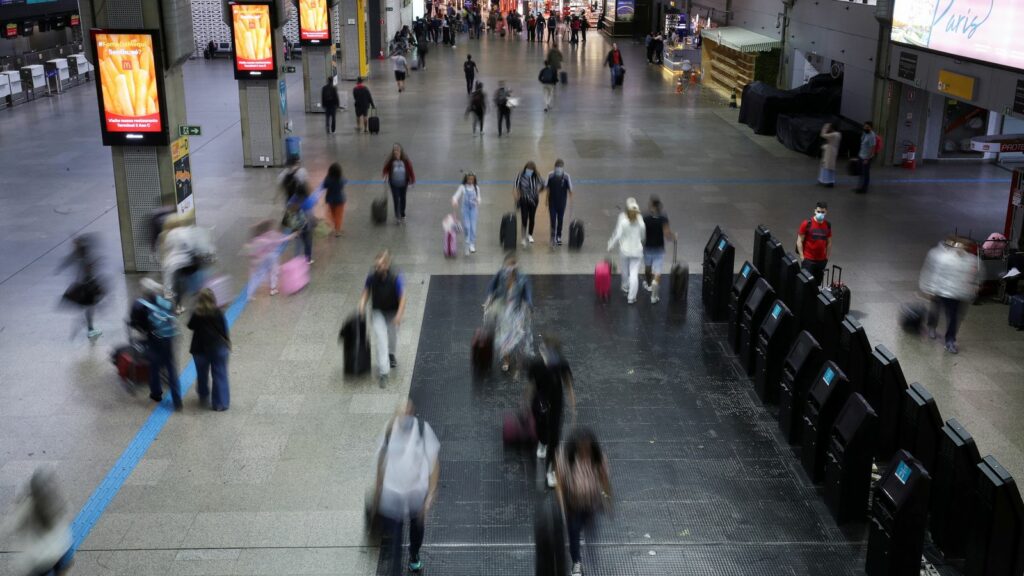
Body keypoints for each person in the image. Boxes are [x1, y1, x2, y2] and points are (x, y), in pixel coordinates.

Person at [373, 401, 440, 576]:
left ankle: (414, 555)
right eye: (401, 412)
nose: (405, 416)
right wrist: (378, 487)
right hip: (393, 494)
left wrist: (430, 494)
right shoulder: (389, 431)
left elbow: (434, 464)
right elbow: (381, 459)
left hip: (416, 493)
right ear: (396, 415)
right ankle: (396, 570)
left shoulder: (422, 430)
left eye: (408, 411)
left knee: (417, 529)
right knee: (395, 537)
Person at [555, 428, 612, 576]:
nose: (585, 451)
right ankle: (576, 563)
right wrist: (562, 506)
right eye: (582, 448)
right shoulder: (566, 457)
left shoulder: (598, 458)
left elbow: (604, 479)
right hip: (573, 504)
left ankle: (586, 551)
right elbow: (560, 483)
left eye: (588, 448)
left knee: (589, 530)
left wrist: (607, 499)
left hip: (591, 503)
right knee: (573, 532)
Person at [1, 469, 72, 576]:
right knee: (62, 568)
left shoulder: (27, 505)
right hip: (61, 549)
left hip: (39, 559)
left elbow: (13, 524)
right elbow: (67, 513)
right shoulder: (57, 503)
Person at [529, 336, 576, 488]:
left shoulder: (562, 365)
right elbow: (531, 385)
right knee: (541, 428)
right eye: (543, 350)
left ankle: (551, 471)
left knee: (555, 438)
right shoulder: (536, 365)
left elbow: (568, 385)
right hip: (539, 401)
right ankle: (542, 441)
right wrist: (525, 400)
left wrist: (573, 407)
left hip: (556, 403)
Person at [919, 238, 979, 354]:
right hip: (941, 290)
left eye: (966, 247)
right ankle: (932, 326)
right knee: (935, 310)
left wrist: (974, 287)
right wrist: (930, 289)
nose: (963, 249)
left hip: (957, 295)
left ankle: (950, 341)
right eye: (961, 246)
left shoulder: (972, 260)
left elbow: (977, 275)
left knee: (953, 318)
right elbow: (934, 273)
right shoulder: (943, 257)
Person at [131, 278, 183, 410]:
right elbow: (173, 313)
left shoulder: (139, 304)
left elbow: (135, 323)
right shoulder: (164, 301)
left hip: (153, 339)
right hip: (168, 337)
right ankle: (177, 400)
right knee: (171, 367)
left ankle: (156, 393)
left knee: (154, 366)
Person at [359, 250, 407, 388]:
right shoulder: (371, 277)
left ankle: (391, 354)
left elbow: (403, 297)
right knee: (381, 339)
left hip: (393, 311)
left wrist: (399, 314)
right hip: (378, 310)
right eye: (376, 266)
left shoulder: (396, 277)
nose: (377, 268)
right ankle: (384, 372)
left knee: (392, 336)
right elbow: (366, 292)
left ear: (386, 265)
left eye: (380, 266)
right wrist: (361, 306)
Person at [484, 253, 534, 372]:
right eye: (508, 264)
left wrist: (530, 306)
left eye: (512, 264)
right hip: (503, 309)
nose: (509, 267)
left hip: (516, 309)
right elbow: (491, 287)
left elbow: (527, 293)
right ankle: (506, 360)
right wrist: (489, 300)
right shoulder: (501, 274)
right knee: (503, 336)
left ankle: (516, 354)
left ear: (516, 266)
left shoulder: (522, 278)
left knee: (517, 334)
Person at [188, 288, 231, 411]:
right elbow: (223, 329)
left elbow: (190, 326)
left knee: (202, 374)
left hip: (199, 349)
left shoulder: (197, 313)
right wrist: (227, 343)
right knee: (220, 374)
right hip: (217, 347)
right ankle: (220, 404)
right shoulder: (218, 312)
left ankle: (203, 396)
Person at [58, 234, 105, 340]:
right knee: (90, 307)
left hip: (85, 285)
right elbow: (87, 270)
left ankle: (90, 327)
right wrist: (95, 263)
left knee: (90, 307)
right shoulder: (84, 257)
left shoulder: (79, 254)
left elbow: (68, 261)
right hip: (87, 286)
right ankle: (90, 329)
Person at [607, 198, 647, 304]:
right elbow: (643, 237)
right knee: (634, 274)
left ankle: (625, 286)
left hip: (624, 250)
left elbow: (617, 235)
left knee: (624, 269)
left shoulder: (624, 222)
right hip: (637, 251)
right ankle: (631, 297)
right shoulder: (641, 222)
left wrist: (610, 245)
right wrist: (642, 243)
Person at [244, 220, 294, 298]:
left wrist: (253, 260)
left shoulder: (257, 238)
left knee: (259, 275)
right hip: (272, 256)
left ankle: (250, 293)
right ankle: (273, 288)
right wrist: (290, 236)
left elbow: (252, 251)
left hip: (262, 259)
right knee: (274, 271)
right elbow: (280, 239)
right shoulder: (270, 235)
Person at [642, 196, 677, 304]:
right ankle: (654, 295)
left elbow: (641, 232)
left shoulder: (645, 218)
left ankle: (648, 284)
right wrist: (673, 237)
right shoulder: (663, 218)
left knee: (648, 268)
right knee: (657, 272)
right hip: (659, 248)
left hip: (647, 247)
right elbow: (667, 235)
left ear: (652, 206)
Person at [796, 201, 832, 287]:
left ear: (826, 212)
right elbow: (799, 240)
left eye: (822, 212)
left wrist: (826, 258)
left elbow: (829, 242)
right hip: (808, 260)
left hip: (821, 261)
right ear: (815, 211)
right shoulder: (807, 224)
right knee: (805, 284)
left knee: (817, 284)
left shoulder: (827, 225)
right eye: (818, 211)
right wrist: (802, 257)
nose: (820, 214)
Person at [382, 143, 416, 224]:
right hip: (394, 183)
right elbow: (385, 169)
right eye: (395, 151)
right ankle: (397, 216)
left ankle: (402, 213)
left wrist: (413, 180)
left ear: (401, 151)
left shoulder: (405, 160)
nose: (396, 152)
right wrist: (385, 175)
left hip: (404, 183)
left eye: (397, 150)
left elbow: (410, 170)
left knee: (403, 198)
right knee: (396, 199)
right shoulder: (391, 160)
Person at [544, 159, 573, 246]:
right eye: (557, 167)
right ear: (555, 167)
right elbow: (547, 188)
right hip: (552, 202)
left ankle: (559, 236)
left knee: (560, 220)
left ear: (563, 168)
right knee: (553, 220)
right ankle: (552, 237)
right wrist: (546, 200)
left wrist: (571, 202)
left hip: (562, 203)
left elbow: (570, 190)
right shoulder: (550, 175)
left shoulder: (567, 177)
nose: (558, 169)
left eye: (560, 167)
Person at [452, 172, 482, 254]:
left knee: (473, 227)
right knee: (467, 226)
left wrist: (477, 201)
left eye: (472, 179)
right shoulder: (462, 187)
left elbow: (479, 198)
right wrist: (455, 201)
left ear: (474, 179)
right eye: (469, 179)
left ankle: (472, 244)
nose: (470, 180)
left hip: (473, 210)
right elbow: (456, 196)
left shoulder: (476, 188)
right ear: (466, 179)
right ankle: (467, 242)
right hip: (465, 210)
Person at [514, 161, 543, 246]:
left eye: (531, 170)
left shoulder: (536, 176)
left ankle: (530, 235)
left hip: (534, 200)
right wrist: (516, 199)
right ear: (525, 169)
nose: (529, 171)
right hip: (523, 199)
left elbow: (543, 184)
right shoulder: (520, 175)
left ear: (534, 170)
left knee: (532, 217)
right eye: (528, 170)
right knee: (524, 217)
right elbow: (515, 187)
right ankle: (523, 237)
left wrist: (538, 191)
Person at [321, 162, 348, 237]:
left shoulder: (328, 179)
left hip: (330, 199)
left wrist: (327, 176)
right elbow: (346, 181)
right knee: (339, 216)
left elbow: (324, 185)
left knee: (333, 214)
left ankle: (335, 227)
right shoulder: (340, 179)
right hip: (340, 200)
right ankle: (337, 231)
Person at [856, 121, 877, 193]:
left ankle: (864, 189)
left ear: (871, 128)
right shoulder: (865, 133)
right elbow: (862, 143)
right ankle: (859, 187)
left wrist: (867, 159)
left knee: (865, 174)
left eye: (867, 127)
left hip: (866, 158)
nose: (865, 128)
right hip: (861, 155)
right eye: (864, 126)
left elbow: (872, 149)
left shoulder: (872, 136)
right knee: (860, 173)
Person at [818, 123, 841, 187]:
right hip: (831, 150)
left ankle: (827, 181)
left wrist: (825, 127)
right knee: (828, 166)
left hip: (830, 151)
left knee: (827, 166)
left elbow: (822, 135)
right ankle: (826, 180)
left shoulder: (834, 134)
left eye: (830, 127)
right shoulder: (838, 134)